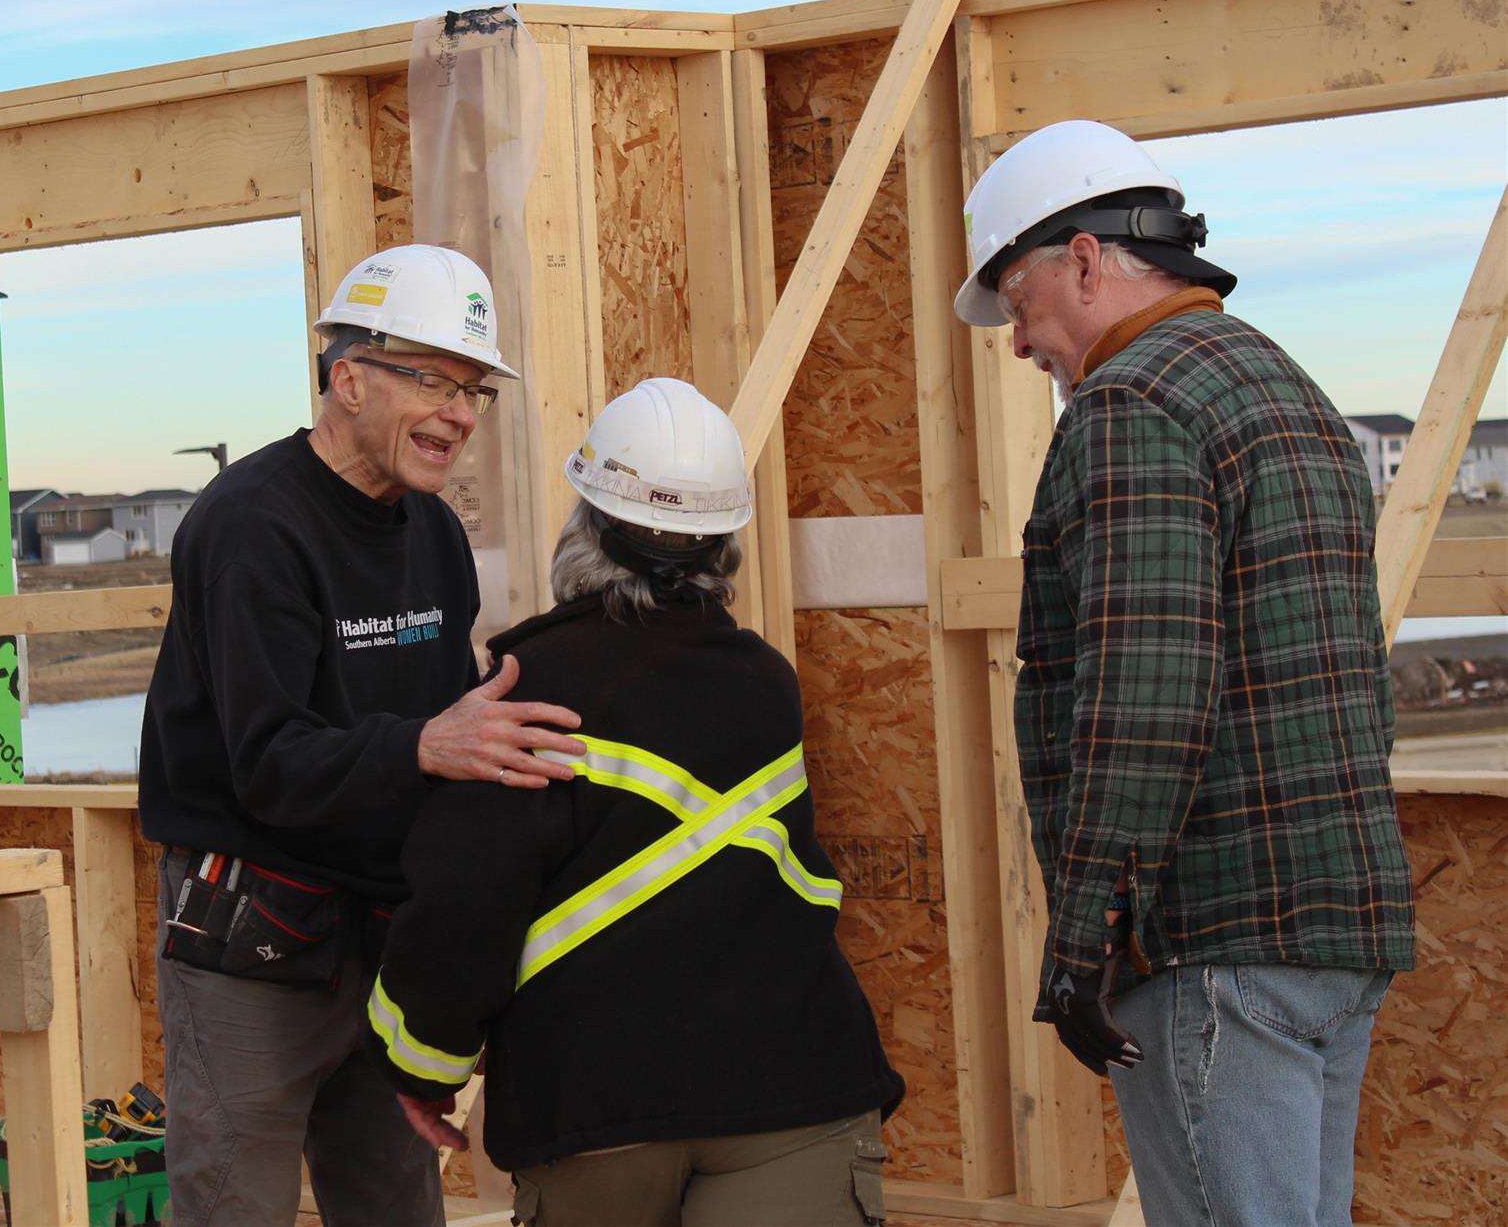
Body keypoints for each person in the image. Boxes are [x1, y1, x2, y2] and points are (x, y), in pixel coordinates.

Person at [953, 120, 1416, 1227]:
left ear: (1083, 259)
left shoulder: (1129, 405)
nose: (1017, 342)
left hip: (1216, 939)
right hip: (1332, 930)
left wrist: (1082, 940)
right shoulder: (1285, 388)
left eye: (1016, 303)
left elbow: (1145, 688)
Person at [366, 378, 905, 1227]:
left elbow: (466, 901)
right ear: (725, 542)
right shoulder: (768, 685)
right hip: (796, 1090)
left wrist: (423, 1065)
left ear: (585, 525)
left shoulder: (525, 691)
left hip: (595, 1105)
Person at [137, 243, 587, 1227]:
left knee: (395, 1204)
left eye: (474, 389)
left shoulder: (429, 530)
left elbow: (448, 725)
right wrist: (426, 744)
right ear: (349, 379)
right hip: (254, 942)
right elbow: (267, 764)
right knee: (233, 1206)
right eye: (433, 378)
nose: (461, 412)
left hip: (384, 944)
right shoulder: (252, 525)